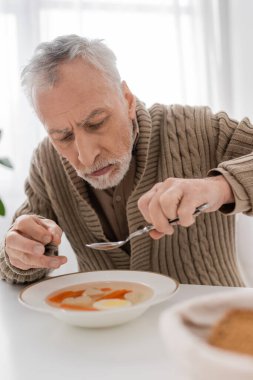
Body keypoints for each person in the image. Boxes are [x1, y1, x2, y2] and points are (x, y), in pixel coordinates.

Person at [0, 35, 252, 286]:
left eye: (96, 122)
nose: (86, 156)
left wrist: (219, 187)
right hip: (103, 324)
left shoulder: (198, 128)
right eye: (63, 136)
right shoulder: (47, 162)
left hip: (215, 321)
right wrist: (20, 254)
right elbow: (13, 265)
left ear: (127, 100)